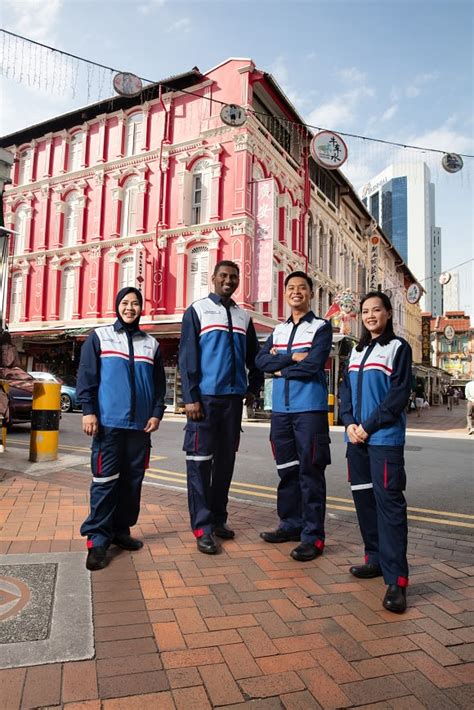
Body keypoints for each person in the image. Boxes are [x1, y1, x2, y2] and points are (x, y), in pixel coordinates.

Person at [77, 287, 166, 571]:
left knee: (131, 482)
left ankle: (120, 531)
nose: (130, 308)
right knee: (104, 483)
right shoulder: (100, 337)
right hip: (108, 425)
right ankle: (98, 541)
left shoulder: (151, 344)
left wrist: (156, 414)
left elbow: (159, 386)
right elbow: (87, 378)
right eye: (125, 303)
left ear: (141, 308)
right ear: (117, 306)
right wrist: (89, 411)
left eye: (136, 303)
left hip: (140, 428)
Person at [179, 260, 263, 554]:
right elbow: (188, 358)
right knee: (200, 464)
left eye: (234, 277)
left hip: (232, 402)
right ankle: (202, 527)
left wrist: (253, 388)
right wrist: (190, 397)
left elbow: (256, 358)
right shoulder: (198, 310)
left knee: (225, 464)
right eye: (224, 276)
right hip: (204, 400)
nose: (229, 280)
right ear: (213, 278)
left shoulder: (244, 317)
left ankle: (218, 519)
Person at [339, 291, 412, 613]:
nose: (370, 316)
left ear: (387, 313)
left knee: (389, 507)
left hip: (384, 440)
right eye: (366, 311)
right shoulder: (356, 351)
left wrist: (367, 427)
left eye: (376, 310)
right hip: (356, 440)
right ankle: (375, 559)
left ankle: (396, 581)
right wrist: (349, 423)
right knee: (365, 503)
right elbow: (345, 392)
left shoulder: (398, 348)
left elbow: (397, 396)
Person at [256, 271, 332, 562]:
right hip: (281, 412)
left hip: (309, 410)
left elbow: (313, 365)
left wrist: (279, 368)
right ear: (285, 294)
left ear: (310, 294)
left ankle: (313, 537)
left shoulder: (321, 327)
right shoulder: (278, 330)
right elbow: (261, 361)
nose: (296, 292)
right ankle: (290, 524)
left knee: (311, 472)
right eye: (291, 288)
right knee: (287, 469)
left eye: (302, 287)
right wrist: (290, 358)